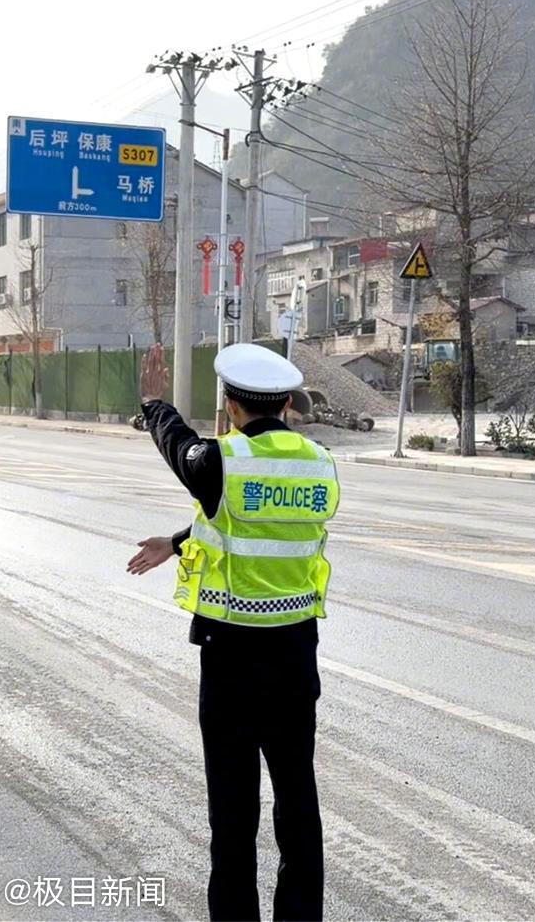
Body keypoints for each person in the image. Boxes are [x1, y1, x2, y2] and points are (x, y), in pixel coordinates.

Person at [127, 343, 339, 922]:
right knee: (298, 798)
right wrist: (176, 542)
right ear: (290, 403)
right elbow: (253, 519)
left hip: (233, 659)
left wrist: (153, 403)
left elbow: (180, 448)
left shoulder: (224, 460)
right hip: (296, 654)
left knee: (234, 807)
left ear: (230, 405)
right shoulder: (319, 462)